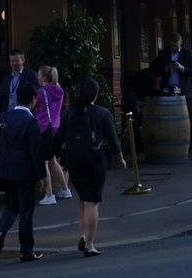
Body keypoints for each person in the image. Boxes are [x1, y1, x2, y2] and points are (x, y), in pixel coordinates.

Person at [55, 79, 125, 257]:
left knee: (82, 199)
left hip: (73, 160)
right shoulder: (101, 113)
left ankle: (82, 234)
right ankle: (89, 244)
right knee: (92, 201)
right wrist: (120, 158)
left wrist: (53, 154)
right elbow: (113, 138)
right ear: (95, 93)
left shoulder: (70, 113)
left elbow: (59, 137)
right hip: (94, 159)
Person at [0, 82, 46, 263]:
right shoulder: (31, 122)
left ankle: (0, 232)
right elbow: (36, 153)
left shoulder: (3, 118)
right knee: (26, 211)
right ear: (34, 100)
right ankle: (26, 250)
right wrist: (42, 176)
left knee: (11, 206)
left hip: (6, 170)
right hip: (25, 172)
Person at [33, 65, 70, 205]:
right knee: (53, 161)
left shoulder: (41, 92)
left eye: (39, 75)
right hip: (55, 128)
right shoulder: (59, 91)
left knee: (44, 163)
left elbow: (33, 106)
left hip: (43, 129)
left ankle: (49, 194)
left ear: (44, 77)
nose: (37, 77)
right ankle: (65, 189)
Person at [152, 32, 192, 97]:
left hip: (182, 90)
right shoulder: (163, 54)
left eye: (176, 46)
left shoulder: (187, 54)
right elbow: (155, 71)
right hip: (167, 89)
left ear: (181, 42)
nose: (174, 48)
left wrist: (182, 68)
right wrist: (166, 68)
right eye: (172, 46)